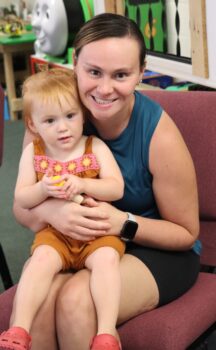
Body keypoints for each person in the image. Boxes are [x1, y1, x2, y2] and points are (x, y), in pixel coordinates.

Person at [9, 13, 200, 350]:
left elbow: (186, 234)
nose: (104, 88)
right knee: (38, 304)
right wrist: (52, 212)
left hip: (153, 247)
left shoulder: (160, 135)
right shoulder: (52, 115)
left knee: (75, 302)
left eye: (121, 75)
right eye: (93, 72)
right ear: (74, 64)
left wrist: (120, 223)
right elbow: (22, 209)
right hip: (73, 242)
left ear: (141, 73)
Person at [0, 68, 125, 350]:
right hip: (55, 235)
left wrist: (82, 183)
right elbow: (21, 197)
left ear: (82, 114)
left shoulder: (94, 147)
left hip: (97, 233)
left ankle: (105, 333)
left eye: (70, 116)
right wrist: (43, 189)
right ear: (33, 125)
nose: (63, 127)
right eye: (50, 120)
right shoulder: (35, 153)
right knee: (40, 261)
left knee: (107, 262)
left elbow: (116, 188)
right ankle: (20, 328)